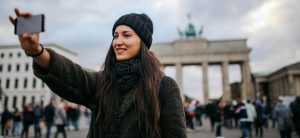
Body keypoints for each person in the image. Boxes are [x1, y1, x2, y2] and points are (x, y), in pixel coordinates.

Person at [9, 8, 187, 138]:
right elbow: (72, 75)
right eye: (115, 35)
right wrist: (35, 51)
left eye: (126, 35)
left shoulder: (165, 87)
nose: (118, 41)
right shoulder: (104, 82)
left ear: (143, 43)